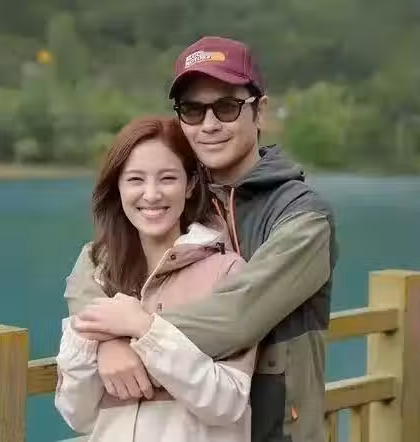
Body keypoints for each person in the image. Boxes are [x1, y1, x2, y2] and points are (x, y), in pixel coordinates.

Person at [68, 36, 338, 442]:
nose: (209, 125)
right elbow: (89, 272)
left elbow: (236, 316)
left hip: (277, 429)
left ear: (260, 110)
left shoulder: (303, 216)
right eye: (193, 110)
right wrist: (104, 342)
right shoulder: (177, 198)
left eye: (226, 107)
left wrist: (132, 330)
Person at [55, 115, 257, 442]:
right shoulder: (99, 274)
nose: (151, 195)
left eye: (167, 178)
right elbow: (76, 414)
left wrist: (145, 329)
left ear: (190, 185)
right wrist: (104, 344)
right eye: (135, 179)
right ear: (118, 187)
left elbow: (227, 403)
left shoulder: (227, 271)